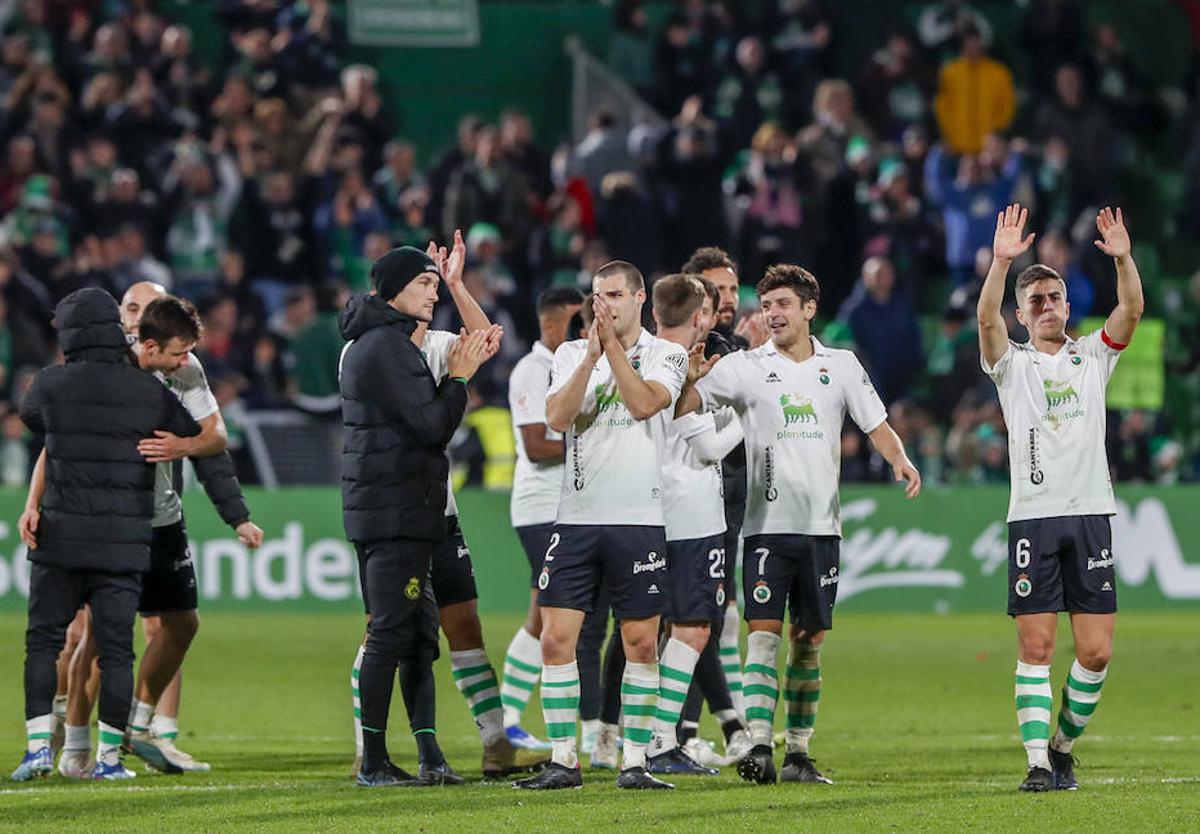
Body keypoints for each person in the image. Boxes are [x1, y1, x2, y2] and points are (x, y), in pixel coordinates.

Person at [675, 264, 921, 785]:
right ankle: (760, 745)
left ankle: (799, 753)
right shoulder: (744, 366)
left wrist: (900, 459)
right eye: (767, 306)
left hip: (821, 528)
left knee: (808, 640)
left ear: (810, 309)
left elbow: (874, 423)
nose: (772, 314)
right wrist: (690, 381)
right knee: (762, 635)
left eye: (783, 304)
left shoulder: (842, 365)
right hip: (766, 526)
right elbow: (689, 399)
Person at [346, 232, 543, 782]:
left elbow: (485, 341)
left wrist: (456, 284)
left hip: (439, 509)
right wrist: (457, 375)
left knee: (462, 623)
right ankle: (371, 746)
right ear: (391, 291)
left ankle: (492, 740)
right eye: (425, 284)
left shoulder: (427, 343)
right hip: (400, 507)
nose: (432, 295)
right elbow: (435, 411)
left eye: (434, 285)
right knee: (385, 629)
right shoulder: (383, 349)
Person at [56, 284, 265, 778]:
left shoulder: (183, 371)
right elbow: (59, 442)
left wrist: (190, 458)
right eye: (131, 309)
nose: (184, 360)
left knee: (180, 624)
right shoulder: (103, 371)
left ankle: (141, 724)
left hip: (163, 518)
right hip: (111, 524)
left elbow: (214, 439)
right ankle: (77, 747)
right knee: (97, 637)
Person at [976, 204, 1143, 792]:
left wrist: (1122, 256)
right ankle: (1037, 764)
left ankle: (1063, 745)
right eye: (1035, 302)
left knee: (1096, 653)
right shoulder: (1010, 366)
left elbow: (1131, 309)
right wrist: (1000, 264)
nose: (1047, 308)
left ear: (1068, 306)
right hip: (1035, 520)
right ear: (1021, 314)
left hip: (1092, 516)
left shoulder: (1093, 357)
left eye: (1055, 298)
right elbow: (985, 324)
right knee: (1038, 645)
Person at [12, 287, 201, 782]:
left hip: (60, 535)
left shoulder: (49, 383)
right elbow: (185, 431)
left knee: (46, 641)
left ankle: (37, 750)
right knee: (115, 648)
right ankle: (109, 759)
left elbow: (34, 421)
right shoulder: (147, 389)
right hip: (123, 541)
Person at [514, 261, 688, 791]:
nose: (603, 304)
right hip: (577, 519)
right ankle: (565, 759)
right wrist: (590, 356)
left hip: (638, 520)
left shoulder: (667, 354)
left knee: (639, 644)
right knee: (555, 640)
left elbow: (643, 405)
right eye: (597, 296)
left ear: (639, 299)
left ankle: (634, 762)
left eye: (613, 294)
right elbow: (558, 420)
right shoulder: (570, 353)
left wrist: (611, 349)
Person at [642, 274, 744, 777]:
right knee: (694, 627)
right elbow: (707, 448)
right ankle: (659, 741)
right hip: (689, 514)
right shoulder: (678, 363)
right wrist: (745, 415)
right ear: (701, 315)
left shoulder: (639, 355)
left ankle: (639, 741)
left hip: (649, 509)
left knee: (651, 631)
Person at [501, 286, 584, 749]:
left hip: (565, 506)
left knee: (543, 612)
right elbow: (535, 445)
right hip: (540, 507)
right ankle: (513, 718)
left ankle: (508, 719)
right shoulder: (533, 370)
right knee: (556, 614)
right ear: (552, 325)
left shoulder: (572, 365)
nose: (583, 329)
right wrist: (589, 446)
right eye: (575, 321)